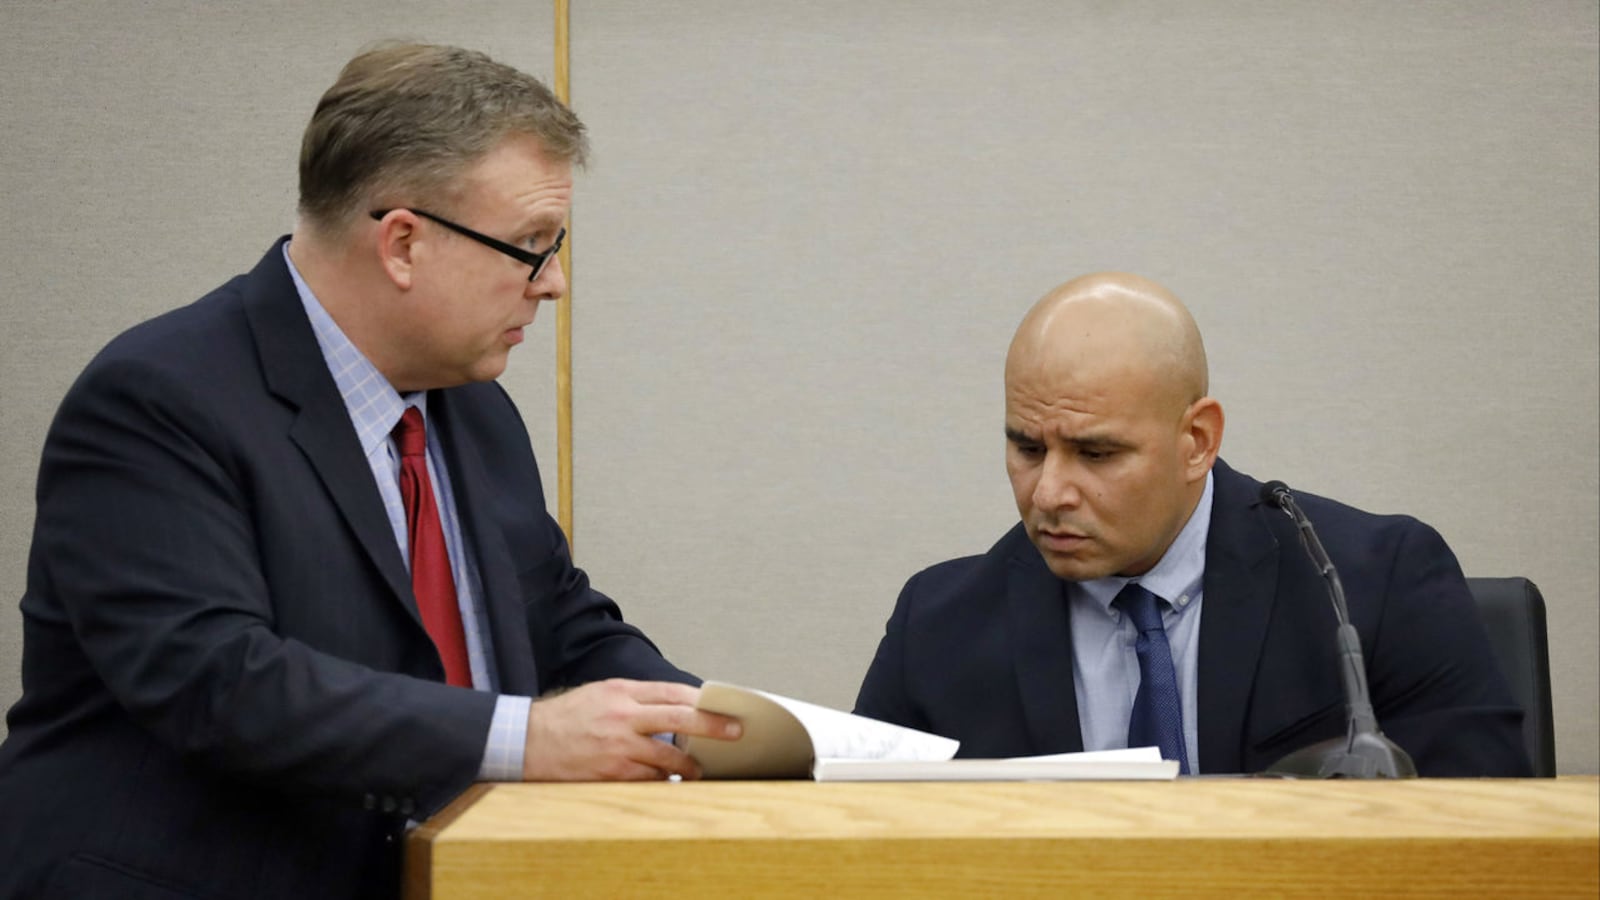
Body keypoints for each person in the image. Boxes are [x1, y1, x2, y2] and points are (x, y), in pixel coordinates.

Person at [0, 43, 739, 900]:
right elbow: (217, 679)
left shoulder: (474, 408)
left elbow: (561, 622)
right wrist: (528, 739)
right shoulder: (160, 398)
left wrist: (722, 728)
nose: (554, 284)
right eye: (531, 246)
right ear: (402, 244)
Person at [854, 272, 1531, 777]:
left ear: (1197, 441)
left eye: (1096, 453)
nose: (1050, 491)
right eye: (1027, 449)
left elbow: (1492, 836)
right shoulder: (939, 626)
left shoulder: (1373, 584)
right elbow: (860, 847)